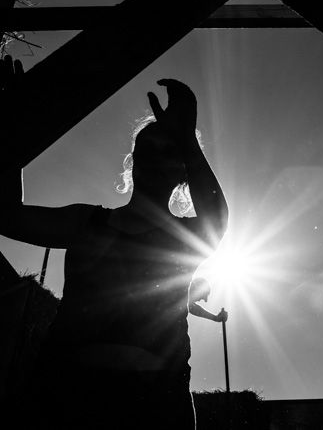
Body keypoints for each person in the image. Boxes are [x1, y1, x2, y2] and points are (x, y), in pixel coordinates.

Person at [0, 58, 228, 430]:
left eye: (169, 151)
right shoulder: (87, 221)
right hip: (66, 396)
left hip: (154, 405)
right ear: (133, 162)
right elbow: (8, 216)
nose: (154, 157)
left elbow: (217, 221)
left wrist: (187, 138)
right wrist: (16, 125)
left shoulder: (186, 237)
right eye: (146, 148)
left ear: (184, 170)